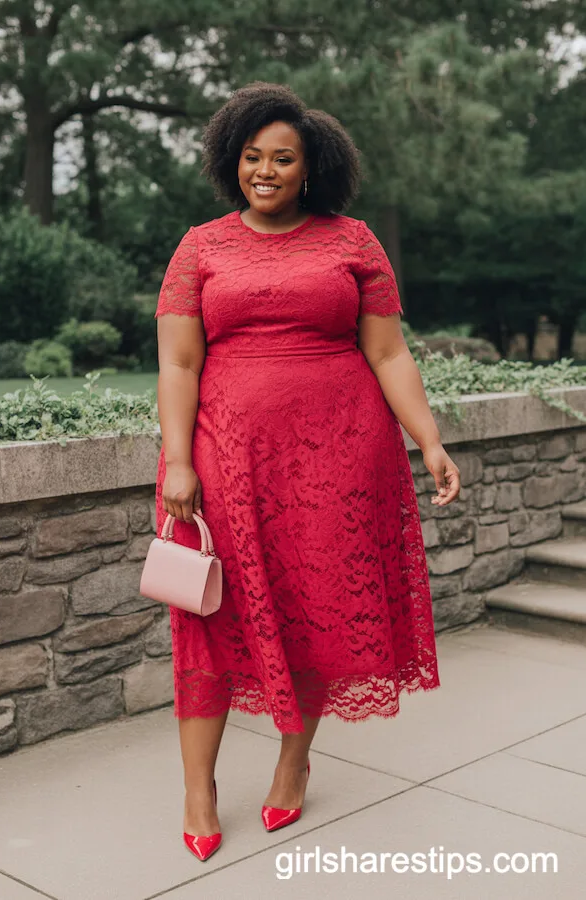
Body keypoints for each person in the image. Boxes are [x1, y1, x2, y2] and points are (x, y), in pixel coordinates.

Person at [155, 80, 461, 861]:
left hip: (340, 455)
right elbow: (180, 365)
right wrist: (181, 461)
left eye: (282, 158)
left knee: (317, 606)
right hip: (224, 456)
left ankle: (293, 765)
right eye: (252, 157)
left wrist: (429, 441)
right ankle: (200, 788)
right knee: (208, 620)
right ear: (233, 161)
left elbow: (388, 352)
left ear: (310, 165)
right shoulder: (201, 246)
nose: (266, 171)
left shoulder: (353, 242)